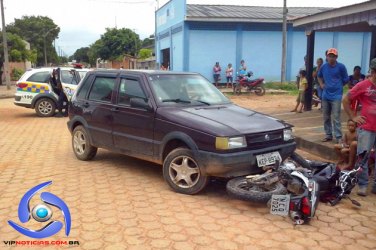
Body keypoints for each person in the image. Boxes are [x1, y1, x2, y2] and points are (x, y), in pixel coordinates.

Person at [342, 57, 376, 196]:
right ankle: (362, 184)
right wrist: (353, 117)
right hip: (367, 127)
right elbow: (346, 99)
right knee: (363, 156)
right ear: (374, 71)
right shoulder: (363, 85)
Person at [318, 48, 349, 143]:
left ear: (336, 57)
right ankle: (328, 135)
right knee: (326, 116)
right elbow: (319, 76)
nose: (331, 58)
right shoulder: (324, 67)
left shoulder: (341, 67)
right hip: (325, 95)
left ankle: (339, 137)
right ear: (327, 56)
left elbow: (346, 79)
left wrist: (339, 86)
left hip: (336, 96)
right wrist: (321, 84)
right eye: (329, 56)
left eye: (333, 56)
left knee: (336, 116)